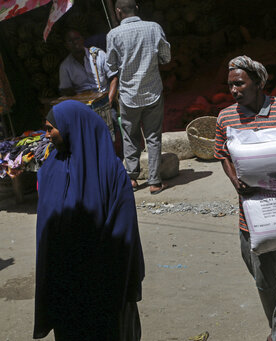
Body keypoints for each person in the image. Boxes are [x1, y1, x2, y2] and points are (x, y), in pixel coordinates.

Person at [214, 55, 276, 341]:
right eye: (230, 85)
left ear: (258, 82)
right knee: (263, 279)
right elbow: (222, 155)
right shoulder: (225, 118)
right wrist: (236, 182)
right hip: (252, 214)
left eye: (240, 84)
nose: (234, 90)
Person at [34, 100, 145, 340]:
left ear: (72, 128)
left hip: (103, 284)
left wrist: (100, 278)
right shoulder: (50, 170)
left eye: (51, 128)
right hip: (65, 281)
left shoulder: (111, 172)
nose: (47, 135)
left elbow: (123, 234)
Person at [106, 0, 171, 195]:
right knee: (153, 137)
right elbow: (166, 57)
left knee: (130, 136)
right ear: (137, 8)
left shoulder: (113, 34)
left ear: (118, 12)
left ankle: (132, 178)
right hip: (152, 92)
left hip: (128, 95)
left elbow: (111, 67)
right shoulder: (154, 28)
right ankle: (155, 182)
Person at [59, 29, 120, 141]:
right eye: (70, 41)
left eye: (77, 39)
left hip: (105, 102)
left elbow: (114, 78)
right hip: (84, 107)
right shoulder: (65, 66)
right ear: (66, 45)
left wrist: (109, 101)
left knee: (112, 127)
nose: (75, 43)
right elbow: (65, 90)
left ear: (83, 39)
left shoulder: (98, 55)